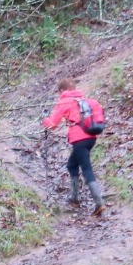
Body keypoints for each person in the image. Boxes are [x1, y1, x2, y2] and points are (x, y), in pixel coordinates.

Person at [42, 77, 105, 215]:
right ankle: (74, 198)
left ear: (62, 90)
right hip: (91, 137)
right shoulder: (84, 100)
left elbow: (52, 125)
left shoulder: (64, 102)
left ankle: (99, 202)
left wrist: (44, 119)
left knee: (86, 169)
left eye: (59, 91)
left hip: (79, 140)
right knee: (72, 165)